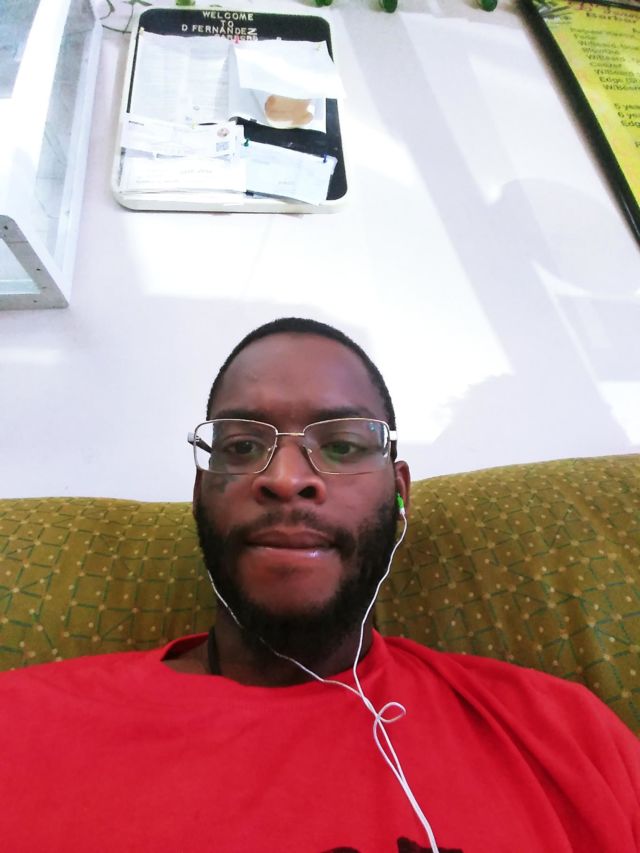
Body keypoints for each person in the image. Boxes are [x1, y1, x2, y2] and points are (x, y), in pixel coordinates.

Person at [1, 317, 639, 853]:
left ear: (399, 495)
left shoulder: (570, 735)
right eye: (242, 446)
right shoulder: (20, 727)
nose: (285, 478)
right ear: (200, 493)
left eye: (341, 445)